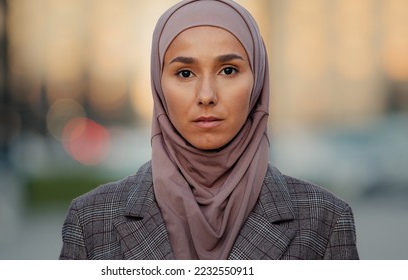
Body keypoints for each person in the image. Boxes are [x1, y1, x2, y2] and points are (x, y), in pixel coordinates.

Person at [59, 0, 359, 260]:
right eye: (185, 73)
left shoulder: (325, 219)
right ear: (158, 84)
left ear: (257, 82)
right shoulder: (91, 221)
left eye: (228, 70)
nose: (206, 95)